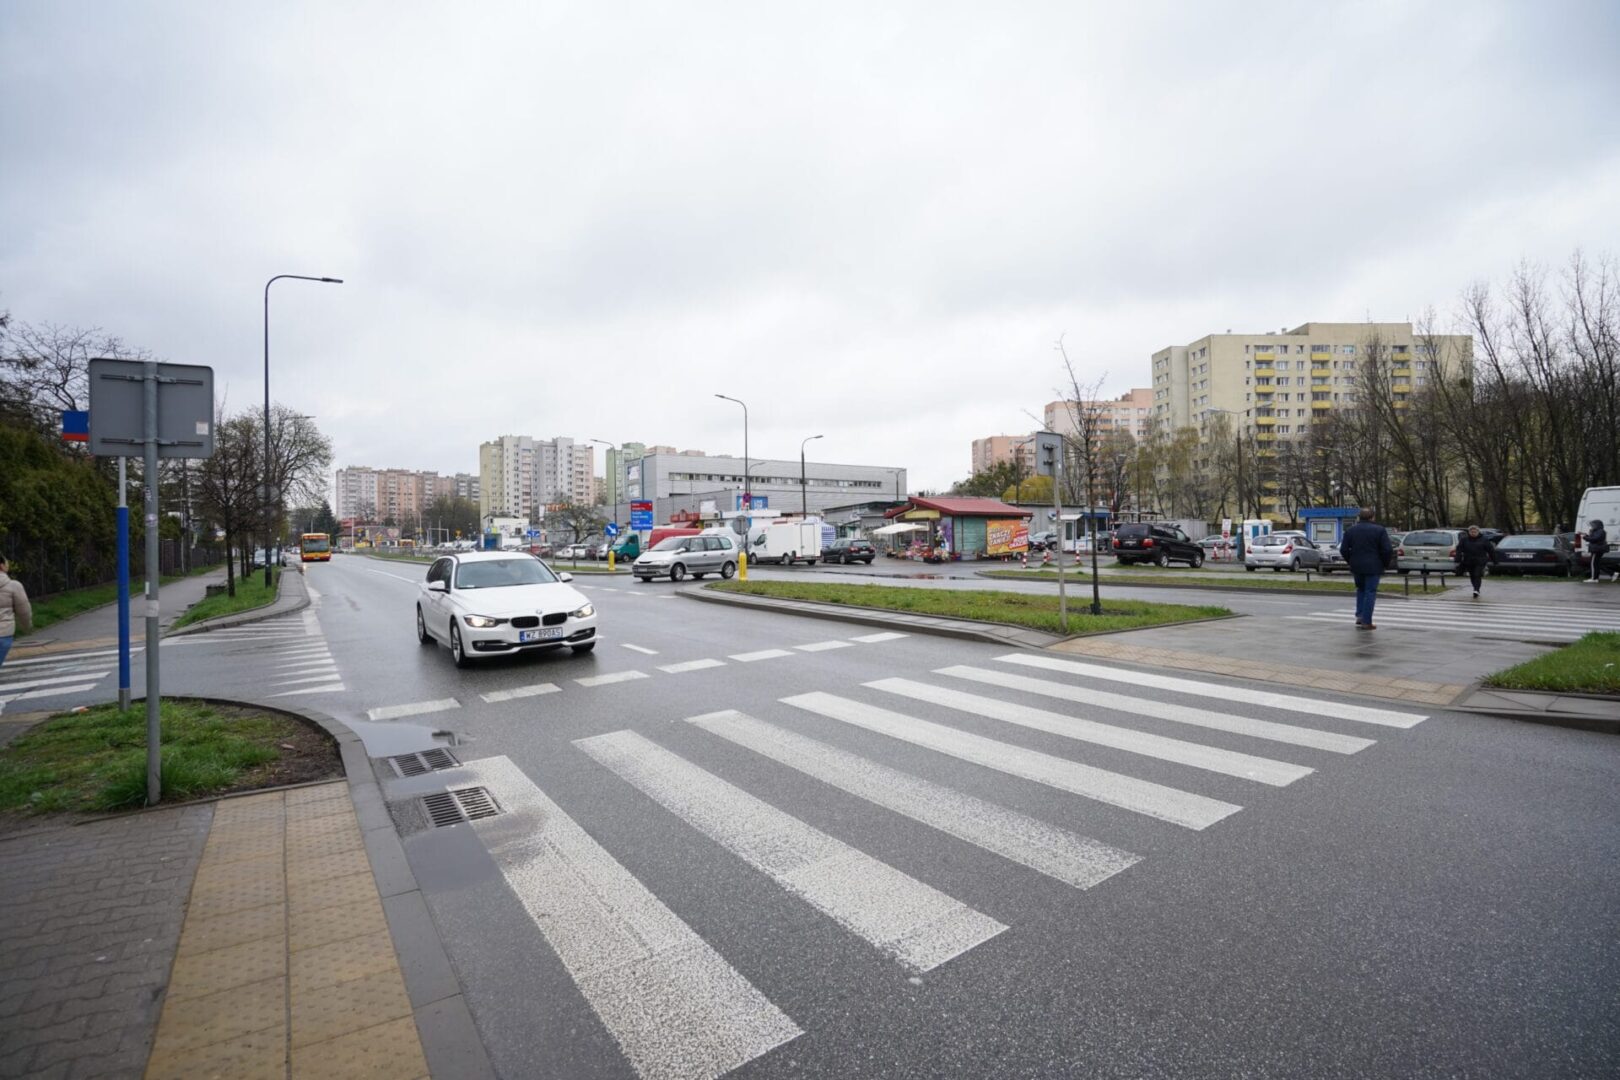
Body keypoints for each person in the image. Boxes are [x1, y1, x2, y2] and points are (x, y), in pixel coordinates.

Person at [1338, 508, 1394, 630]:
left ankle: (1360, 615)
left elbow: (1343, 550)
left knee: (1361, 590)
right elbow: (1387, 550)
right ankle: (1366, 621)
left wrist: (1351, 561)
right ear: (1372, 517)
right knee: (1370, 592)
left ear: (1359, 517)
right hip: (1374, 566)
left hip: (1356, 566)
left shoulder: (1351, 530)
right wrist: (1384, 563)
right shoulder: (1379, 530)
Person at [0, 556, 34, 669]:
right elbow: (24, 610)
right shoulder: (13, 586)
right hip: (3, 634)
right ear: (2, 566)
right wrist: (27, 626)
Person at [1455, 525, 1498, 598]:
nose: (1473, 533)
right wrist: (1458, 558)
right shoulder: (1464, 539)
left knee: (1477, 574)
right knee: (1472, 575)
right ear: (1469, 532)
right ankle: (1475, 588)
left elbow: (1491, 550)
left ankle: (1476, 590)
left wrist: (1495, 560)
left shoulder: (1484, 539)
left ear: (1478, 532)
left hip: (1480, 560)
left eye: (1475, 532)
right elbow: (1459, 549)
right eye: (1471, 532)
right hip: (1468, 560)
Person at [1582, 519, 1610, 583]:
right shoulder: (1597, 531)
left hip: (1597, 549)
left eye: (1593, 525)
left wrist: (1586, 538)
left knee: (1593, 563)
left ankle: (1594, 578)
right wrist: (1586, 536)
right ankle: (1595, 578)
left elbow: (1595, 539)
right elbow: (1593, 537)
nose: (1592, 526)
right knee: (1596, 564)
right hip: (1597, 549)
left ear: (1597, 525)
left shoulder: (1600, 531)